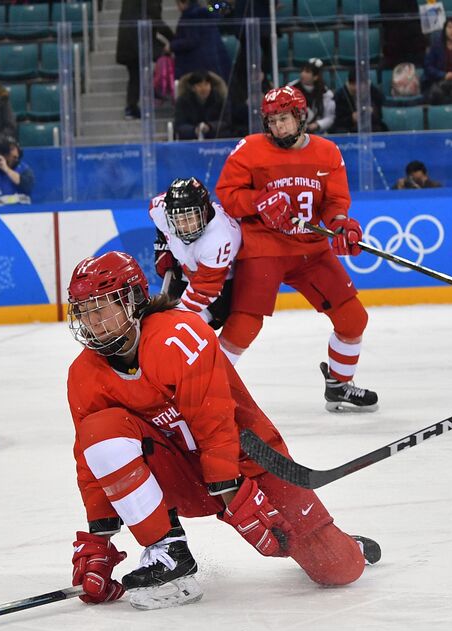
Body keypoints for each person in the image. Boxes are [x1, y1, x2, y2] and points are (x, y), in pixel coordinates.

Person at [64, 251, 377, 609]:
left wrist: (238, 502)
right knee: (98, 430)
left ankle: (344, 543)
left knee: (337, 567)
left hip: (246, 461)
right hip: (180, 475)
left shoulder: (179, 336)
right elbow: (93, 462)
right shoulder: (83, 375)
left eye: (102, 307)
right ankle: (168, 553)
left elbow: (214, 424)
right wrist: (99, 540)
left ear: (133, 300)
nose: (93, 321)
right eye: (84, 310)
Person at [214, 86, 379, 412]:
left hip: (312, 250)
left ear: (300, 117)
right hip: (264, 246)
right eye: (272, 121)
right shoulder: (249, 150)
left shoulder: (327, 152)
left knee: (353, 319)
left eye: (284, 119)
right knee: (244, 325)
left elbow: (335, 201)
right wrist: (257, 201)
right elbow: (227, 194)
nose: (278, 127)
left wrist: (342, 224)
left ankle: (339, 385)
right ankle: (203, 392)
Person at [150, 177, 240, 330]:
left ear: (204, 211)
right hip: (187, 274)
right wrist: (163, 246)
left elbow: (204, 290)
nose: (184, 227)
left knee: (184, 330)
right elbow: (156, 209)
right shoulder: (160, 209)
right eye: (178, 220)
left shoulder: (220, 239)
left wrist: (174, 322)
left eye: (190, 218)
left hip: (219, 290)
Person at [117, 0, 174, 119]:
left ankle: (131, 107)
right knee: (166, 55)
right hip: (141, 39)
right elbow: (156, 21)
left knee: (134, 75)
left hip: (128, 41)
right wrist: (174, 39)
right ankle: (156, 87)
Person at [170, 0, 231, 82]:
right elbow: (222, 6)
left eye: (178, 4)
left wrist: (172, 46)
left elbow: (191, 40)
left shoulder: (190, 15)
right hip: (214, 62)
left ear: (184, 2)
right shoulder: (207, 12)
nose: (178, 8)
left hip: (195, 65)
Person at [330, 66, 388, 134]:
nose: (356, 88)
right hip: (347, 128)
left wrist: (373, 112)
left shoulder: (375, 93)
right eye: (353, 84)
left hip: (371, 126)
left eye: (360, 84)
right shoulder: (339, 96)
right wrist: (351, 118)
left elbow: (380, 116)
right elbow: (336, 120)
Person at [424, 18, 452, 105]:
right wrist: (443, 75)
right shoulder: (436, 46)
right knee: (436, 93)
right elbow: (428, 67)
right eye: (450, 27)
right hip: (439, 80)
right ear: (444, 30)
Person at [174, 71, 227, 140]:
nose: (204, 88)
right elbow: (179, 124)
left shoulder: (219, 99)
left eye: (206, 84)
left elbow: (226, 122)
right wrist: (194, 130)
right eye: (199, 85)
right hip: (190, 139)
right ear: (192, 88)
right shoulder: (183, 101)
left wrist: (210, 127)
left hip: (217, 138)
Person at [292, 59, 335, 135]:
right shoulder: (291, 88)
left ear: (316, 77)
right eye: (302, 71)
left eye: (307, 72)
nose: (302, 74)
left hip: (318, 132)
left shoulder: (326, 93)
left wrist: (317, 125)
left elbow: (330, 117)